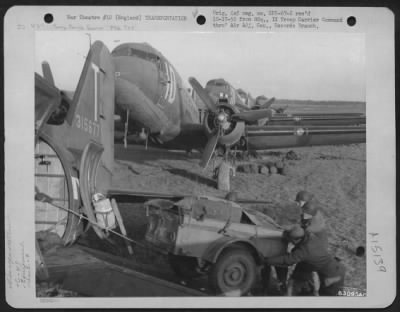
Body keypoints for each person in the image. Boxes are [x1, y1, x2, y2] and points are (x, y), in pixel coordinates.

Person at [265, 225, 346, 296]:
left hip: (332, 276)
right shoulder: (310, 236)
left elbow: (287, 260)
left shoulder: (304, 251)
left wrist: (267, 260)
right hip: (336, 268)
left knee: (328, 300)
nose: (290, 242)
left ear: (297, 239)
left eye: (291, 240)